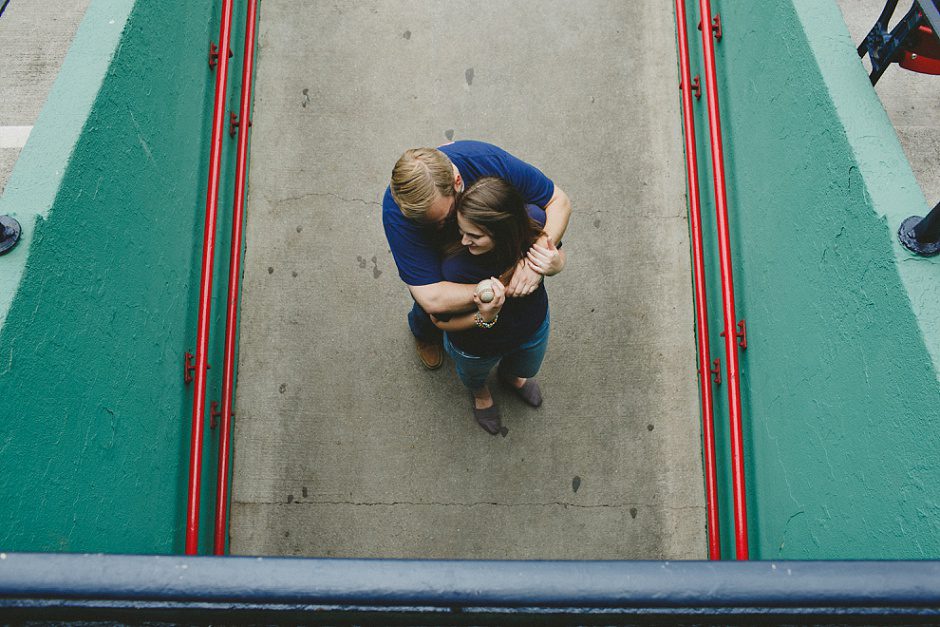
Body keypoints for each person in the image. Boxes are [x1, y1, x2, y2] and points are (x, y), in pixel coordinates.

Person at [383, 141, 571, 369]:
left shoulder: (485, 160)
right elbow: (431, 297)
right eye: (428, 222)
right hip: (434, 264)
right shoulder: (398, 212)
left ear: (457, 182)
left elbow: (557, 201)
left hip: (487, 240)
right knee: (429, 312)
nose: (440, 228)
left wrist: (534, 260)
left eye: (445, 216)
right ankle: (424, 335)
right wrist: (495, 289)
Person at [428, 177, 565, 435]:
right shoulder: (455, 267)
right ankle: (480, 393)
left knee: (526, 366)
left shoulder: (534, 221)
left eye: (475, 236)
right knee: (473, 375)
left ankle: (511, 377)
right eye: (461, 232)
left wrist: (556, 265)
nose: (465, 241)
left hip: (531, 326)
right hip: (477, 345)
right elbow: (441, 321)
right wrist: (485, 315)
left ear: (503, 229)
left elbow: (556, 251)